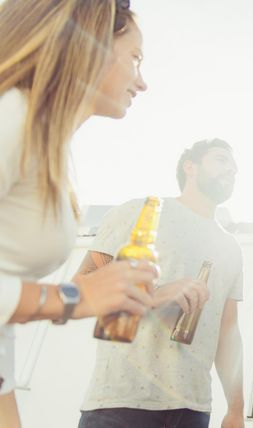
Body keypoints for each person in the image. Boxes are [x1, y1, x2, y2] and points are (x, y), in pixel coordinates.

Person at [0, 1, 156, 426]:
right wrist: (73, 297)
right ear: (88, 45)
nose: (142, 82)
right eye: (135, 58)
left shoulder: (47, 145)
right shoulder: (12, 116)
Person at [77, 139, 245, 428]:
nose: (232, 169)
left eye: (234, 165)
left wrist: (236, 409)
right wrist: (153, 295)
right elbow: (82, 284)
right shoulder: (140, 212)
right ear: (190, 167)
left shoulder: (230, 247)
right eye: (221, 159)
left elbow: (228, 331)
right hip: (121, 403)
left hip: (192, 410)